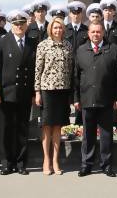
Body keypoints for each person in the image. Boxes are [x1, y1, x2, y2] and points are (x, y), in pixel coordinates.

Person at [0, 9, 37, 176]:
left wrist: (34, 92)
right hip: (6, 93)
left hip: (24, 93)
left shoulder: (33, 43)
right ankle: (7, 162)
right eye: (16, 24)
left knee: (22, 130)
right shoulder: (3, 42)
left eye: (22, 23)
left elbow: (34, 71)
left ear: (26, 25)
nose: (19, 26)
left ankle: (20, 163)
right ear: (12, 25)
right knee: (6, 130)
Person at [73, 22, 117, 177]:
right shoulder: (81, 50)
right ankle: (86, 164)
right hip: (87, 99)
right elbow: (75, 77)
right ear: (88, 33)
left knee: (106, 134)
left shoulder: (113, 49)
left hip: (106, 99)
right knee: (88, 134)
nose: (95, 34)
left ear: (103, 33)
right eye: (93, 32)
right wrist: (76, 98)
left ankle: (106, 165)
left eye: (98, 32)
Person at [34, 16, 74, 175]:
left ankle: (56, 160)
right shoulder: (43, 46)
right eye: (55, 27)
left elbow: (70, 69)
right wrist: (37, 92)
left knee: (58, 126)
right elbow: (38, 70)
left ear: (63, 30)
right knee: (47, 126)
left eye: (60, 28)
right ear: (50, 29)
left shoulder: (68, 45)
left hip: (63, 90)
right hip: (47, 90)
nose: (58, 30)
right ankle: (46, 160)